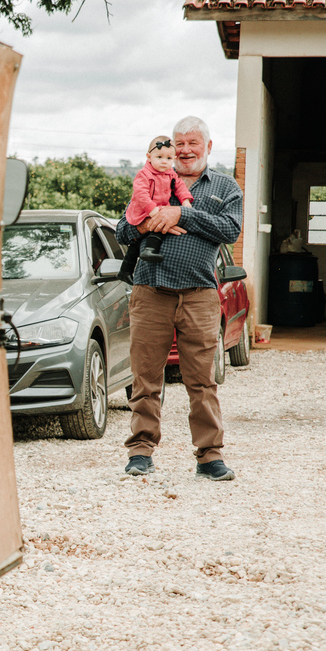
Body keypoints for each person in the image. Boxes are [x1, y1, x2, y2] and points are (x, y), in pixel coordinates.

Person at [116, 116, 243, 481]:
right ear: (167, 147)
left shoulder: (224, 186)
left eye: (193, 143)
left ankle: (210, 456)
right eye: (179, 143)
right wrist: (145, 223)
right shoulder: (148, 178)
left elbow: (230, 229)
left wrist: (182, 212)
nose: (185, 150)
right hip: (150, 290)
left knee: (202, 380)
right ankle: (140, 451)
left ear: (208, 146)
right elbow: (123, 229)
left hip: (200, 293)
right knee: (145, 377)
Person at [117, 136, 194, 284]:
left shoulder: (171, 173)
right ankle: (149, 250)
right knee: (157, 227)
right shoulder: (144, 174)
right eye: (159, 157)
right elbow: (141, 195)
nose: (164, 161)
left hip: (157, 208)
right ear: (149, 157)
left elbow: (179, 186)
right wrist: (152, 211)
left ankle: (125, 270)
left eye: (169, 158)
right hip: (142, 209)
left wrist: (185, 200)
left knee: (135, 244)